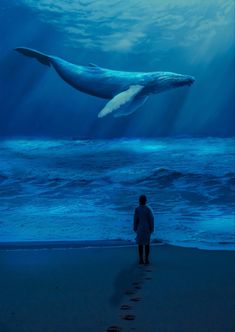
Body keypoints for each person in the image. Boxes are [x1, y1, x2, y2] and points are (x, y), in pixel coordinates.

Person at [133, 194, 154, 265]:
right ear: (145, 201)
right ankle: (147, 259)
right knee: (147, 244)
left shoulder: (137, 209)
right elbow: (151, 219)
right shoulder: (148, 209)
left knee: (140, 244)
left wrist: (135, 227)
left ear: (139, 201)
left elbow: (135, 219)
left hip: (140, 228)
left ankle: (141, 259)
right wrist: (152, 228)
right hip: (147, 227)